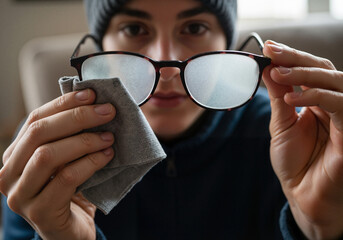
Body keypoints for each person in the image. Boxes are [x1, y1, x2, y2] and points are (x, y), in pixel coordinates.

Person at [1, 0, 343, 239]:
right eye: (134, 28)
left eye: (194, 27)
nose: (166, 63)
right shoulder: (48, 151)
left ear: (228, 43)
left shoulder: (299, 141)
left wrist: (322, 228)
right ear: (99, 45)